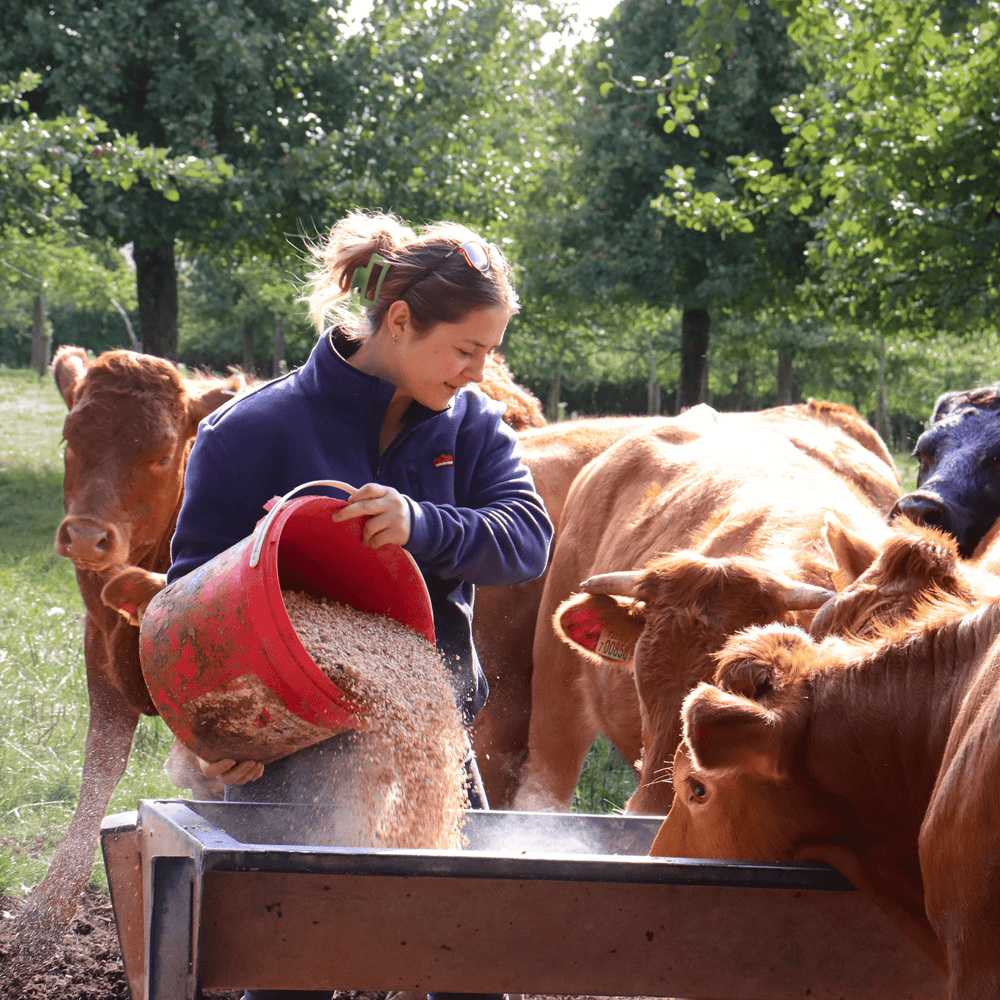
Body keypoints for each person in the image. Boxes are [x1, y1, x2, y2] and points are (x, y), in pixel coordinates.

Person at [166, 211, 554, 1000]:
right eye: (466, 349)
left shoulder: (472, 427)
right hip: (295, 740)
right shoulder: (252, 431)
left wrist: (422, 523)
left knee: (466, 956)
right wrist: (217, 733)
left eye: (491, 352)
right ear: (401, 321)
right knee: (293, 963)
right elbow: (189, 602)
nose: (480, 371)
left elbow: (528, 539)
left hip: (428, 735)